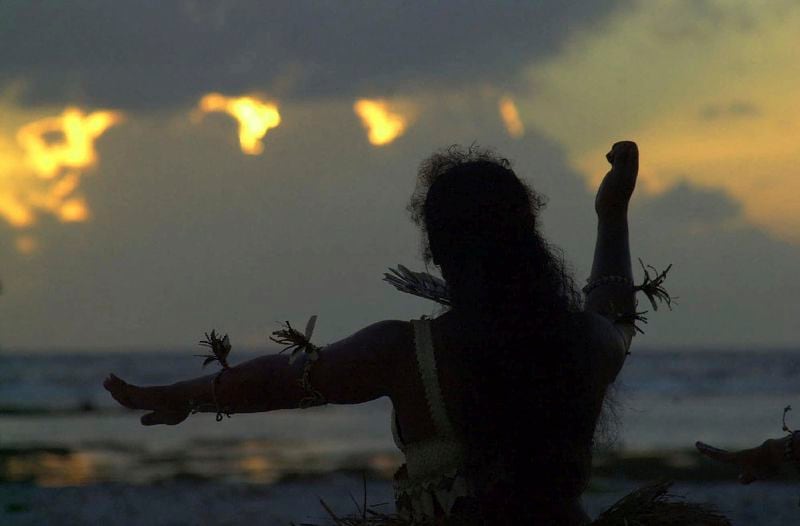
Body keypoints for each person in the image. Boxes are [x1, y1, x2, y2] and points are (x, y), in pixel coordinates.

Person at [104, 141, 643, 525]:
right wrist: (612, 213)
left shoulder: (406, 353)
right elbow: (615, 313)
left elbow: (281, 381)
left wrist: (185, 396)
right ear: (529, 238)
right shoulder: (583, 344)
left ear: (434, 248)